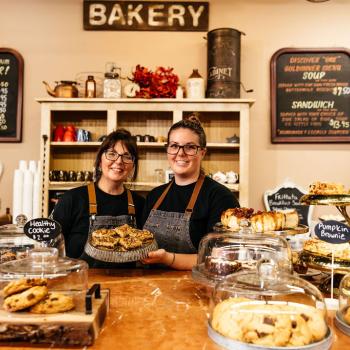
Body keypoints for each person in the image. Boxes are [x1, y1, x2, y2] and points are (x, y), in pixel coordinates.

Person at [141, 116, 240, 270]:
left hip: (197, 287)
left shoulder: (221, 197)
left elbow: (222, 257)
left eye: (189, 147)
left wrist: (168, 258)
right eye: (174, 146)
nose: (180, 153)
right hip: (149, 286)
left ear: (202, 152)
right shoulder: (155, 195)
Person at [52, 129, 145, 267]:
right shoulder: (72, 199)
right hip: (81, 284)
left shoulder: (140, 204)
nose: (119, 161)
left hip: (128, 284)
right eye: (112, 154)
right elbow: (52, 249)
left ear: (132, 166)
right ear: (100, 161)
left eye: (127, 156)